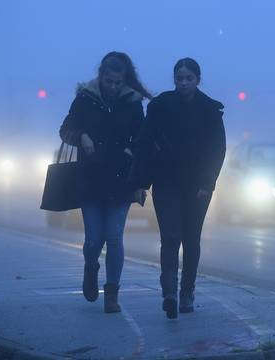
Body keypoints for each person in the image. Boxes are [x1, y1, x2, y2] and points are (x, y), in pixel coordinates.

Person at [130, 57, 226, 319]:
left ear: (197, 80)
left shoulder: (210, 110)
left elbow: (217, 150)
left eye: (189, 79)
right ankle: (169, 292)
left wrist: (207, 183)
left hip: (197, 186)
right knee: (170, 236)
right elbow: (145, 144)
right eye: (179, 78)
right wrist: (139, 182)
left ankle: (187, 292)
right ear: (174, 79)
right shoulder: (160, 107)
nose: (183, 83)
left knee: (191, 239)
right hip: (166, 181)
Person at [59, 51, 151, 313]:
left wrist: (131, 151)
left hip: (122, 180)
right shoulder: (85, 99)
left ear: (124, 81)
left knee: (114, 237)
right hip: (90, 180)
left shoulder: (132, 103)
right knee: (93, 240)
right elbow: (65, 129)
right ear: (101, 77)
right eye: (109, 81)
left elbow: (142, 136)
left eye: (117, 82)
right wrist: (82, 136)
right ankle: (91, 267)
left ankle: (112, 294)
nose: (112, 87)